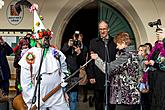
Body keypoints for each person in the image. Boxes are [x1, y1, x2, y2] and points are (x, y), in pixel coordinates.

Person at [18, 29, 70, 110]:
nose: (46, 40)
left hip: (57, 95)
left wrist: (63, 84)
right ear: (36, 39)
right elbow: (25, 81)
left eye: (47, 37)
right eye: (43, 37)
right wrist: (31, 98)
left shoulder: (57, 53)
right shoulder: (30, 55)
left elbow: (64, 69)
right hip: (38, 96)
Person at [90, 32, 141, 110]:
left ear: (123, 42)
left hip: (126, 98)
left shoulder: (127, 55)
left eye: (118, 44)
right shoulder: (132, 53)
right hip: (130, 97)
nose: (116, 47)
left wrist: (97, 59)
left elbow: (108, 68)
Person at [87, 20, 117, 110]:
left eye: (104, 29)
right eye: (100, 29)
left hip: (111, 77)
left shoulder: (114, 42)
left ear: (108, 29)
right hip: (98, 76)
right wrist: (91, 76)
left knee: (111, 102)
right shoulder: (93, 42)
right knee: (99, 102)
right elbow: (90, 60)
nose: (102, 31)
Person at [61, 31, 88, 110]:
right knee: (63, 97)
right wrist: (68, 46)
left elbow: (82, 62)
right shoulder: (67, 45)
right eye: (75, 38)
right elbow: (61, 54)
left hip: (75, 75)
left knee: (73, 98)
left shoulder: (83, 48)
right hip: (64, 74)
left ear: (81, 39)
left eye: (79, 39)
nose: (76, 41)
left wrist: (79, 53)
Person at [146, 28, 165, 110]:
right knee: (152, 100)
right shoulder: (156, 47)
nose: (158, 34)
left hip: (161, 79)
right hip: (153, 77)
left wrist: (155, 64)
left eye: (161, 32)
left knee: (160, 101)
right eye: (157, 32)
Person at [0, 36, 13, 110]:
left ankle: (6, 108)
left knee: (5, 92)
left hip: (4, 74)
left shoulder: (3, 47)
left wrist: (4, 42)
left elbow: (10, 51)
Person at [137, 44, 150, 110]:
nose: (139, 52)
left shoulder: (145, 61)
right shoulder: (137, 60)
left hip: (144, 83)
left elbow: (145, 71)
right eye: (139, 50)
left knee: (144, 101)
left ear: (145, 52)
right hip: (138, 82)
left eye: (141, 50)